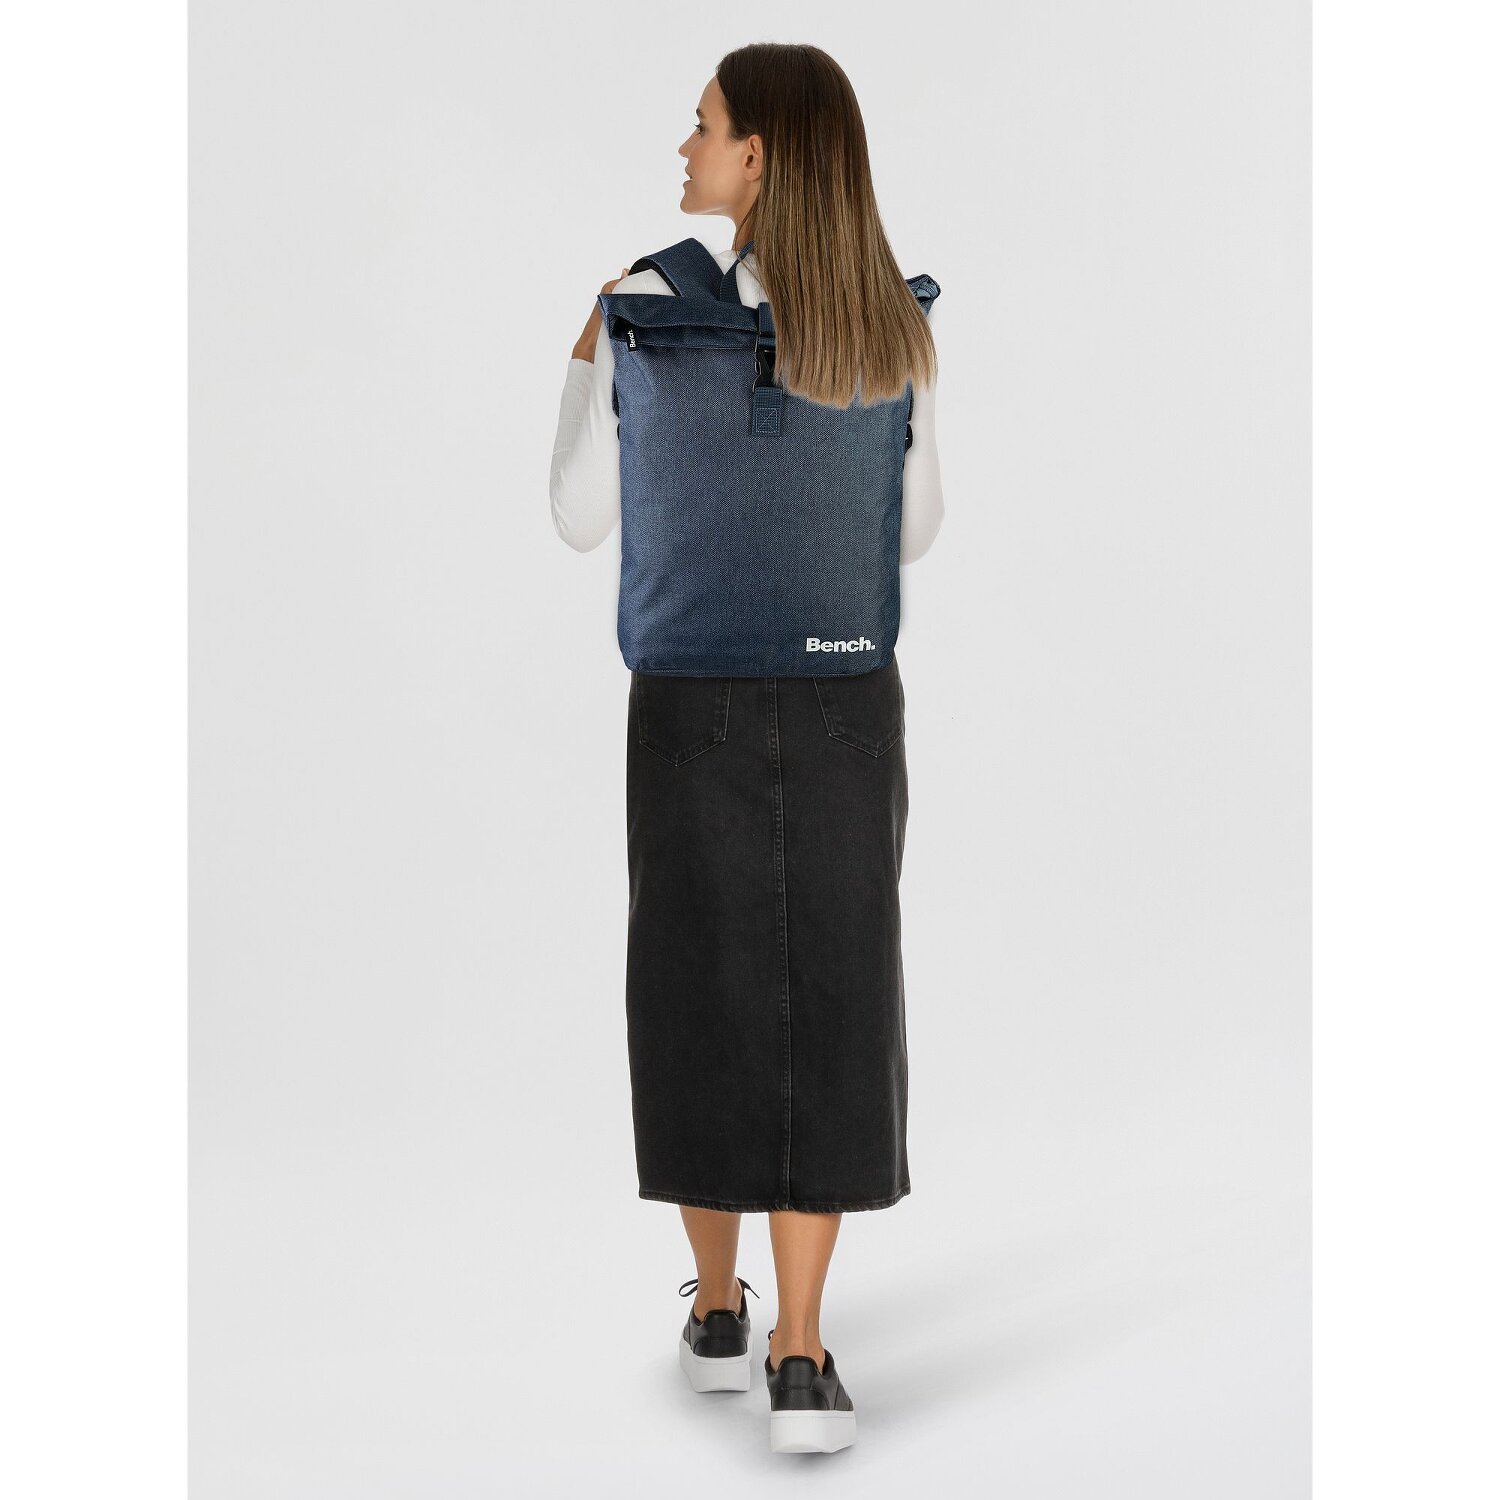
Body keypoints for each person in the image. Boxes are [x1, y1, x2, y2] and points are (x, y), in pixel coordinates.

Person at [548, 43, 943, 1454]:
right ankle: (804, 1352)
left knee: (698, 989)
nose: (686, 146)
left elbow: (580, 520)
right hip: (845, 705)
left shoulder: (648, 310)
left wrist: (585, 353)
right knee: (834, 996)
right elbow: (913, 534)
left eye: (705, 124)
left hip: (688, 698)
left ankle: (716, 1312)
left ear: (760, 153)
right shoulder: (895, 325)